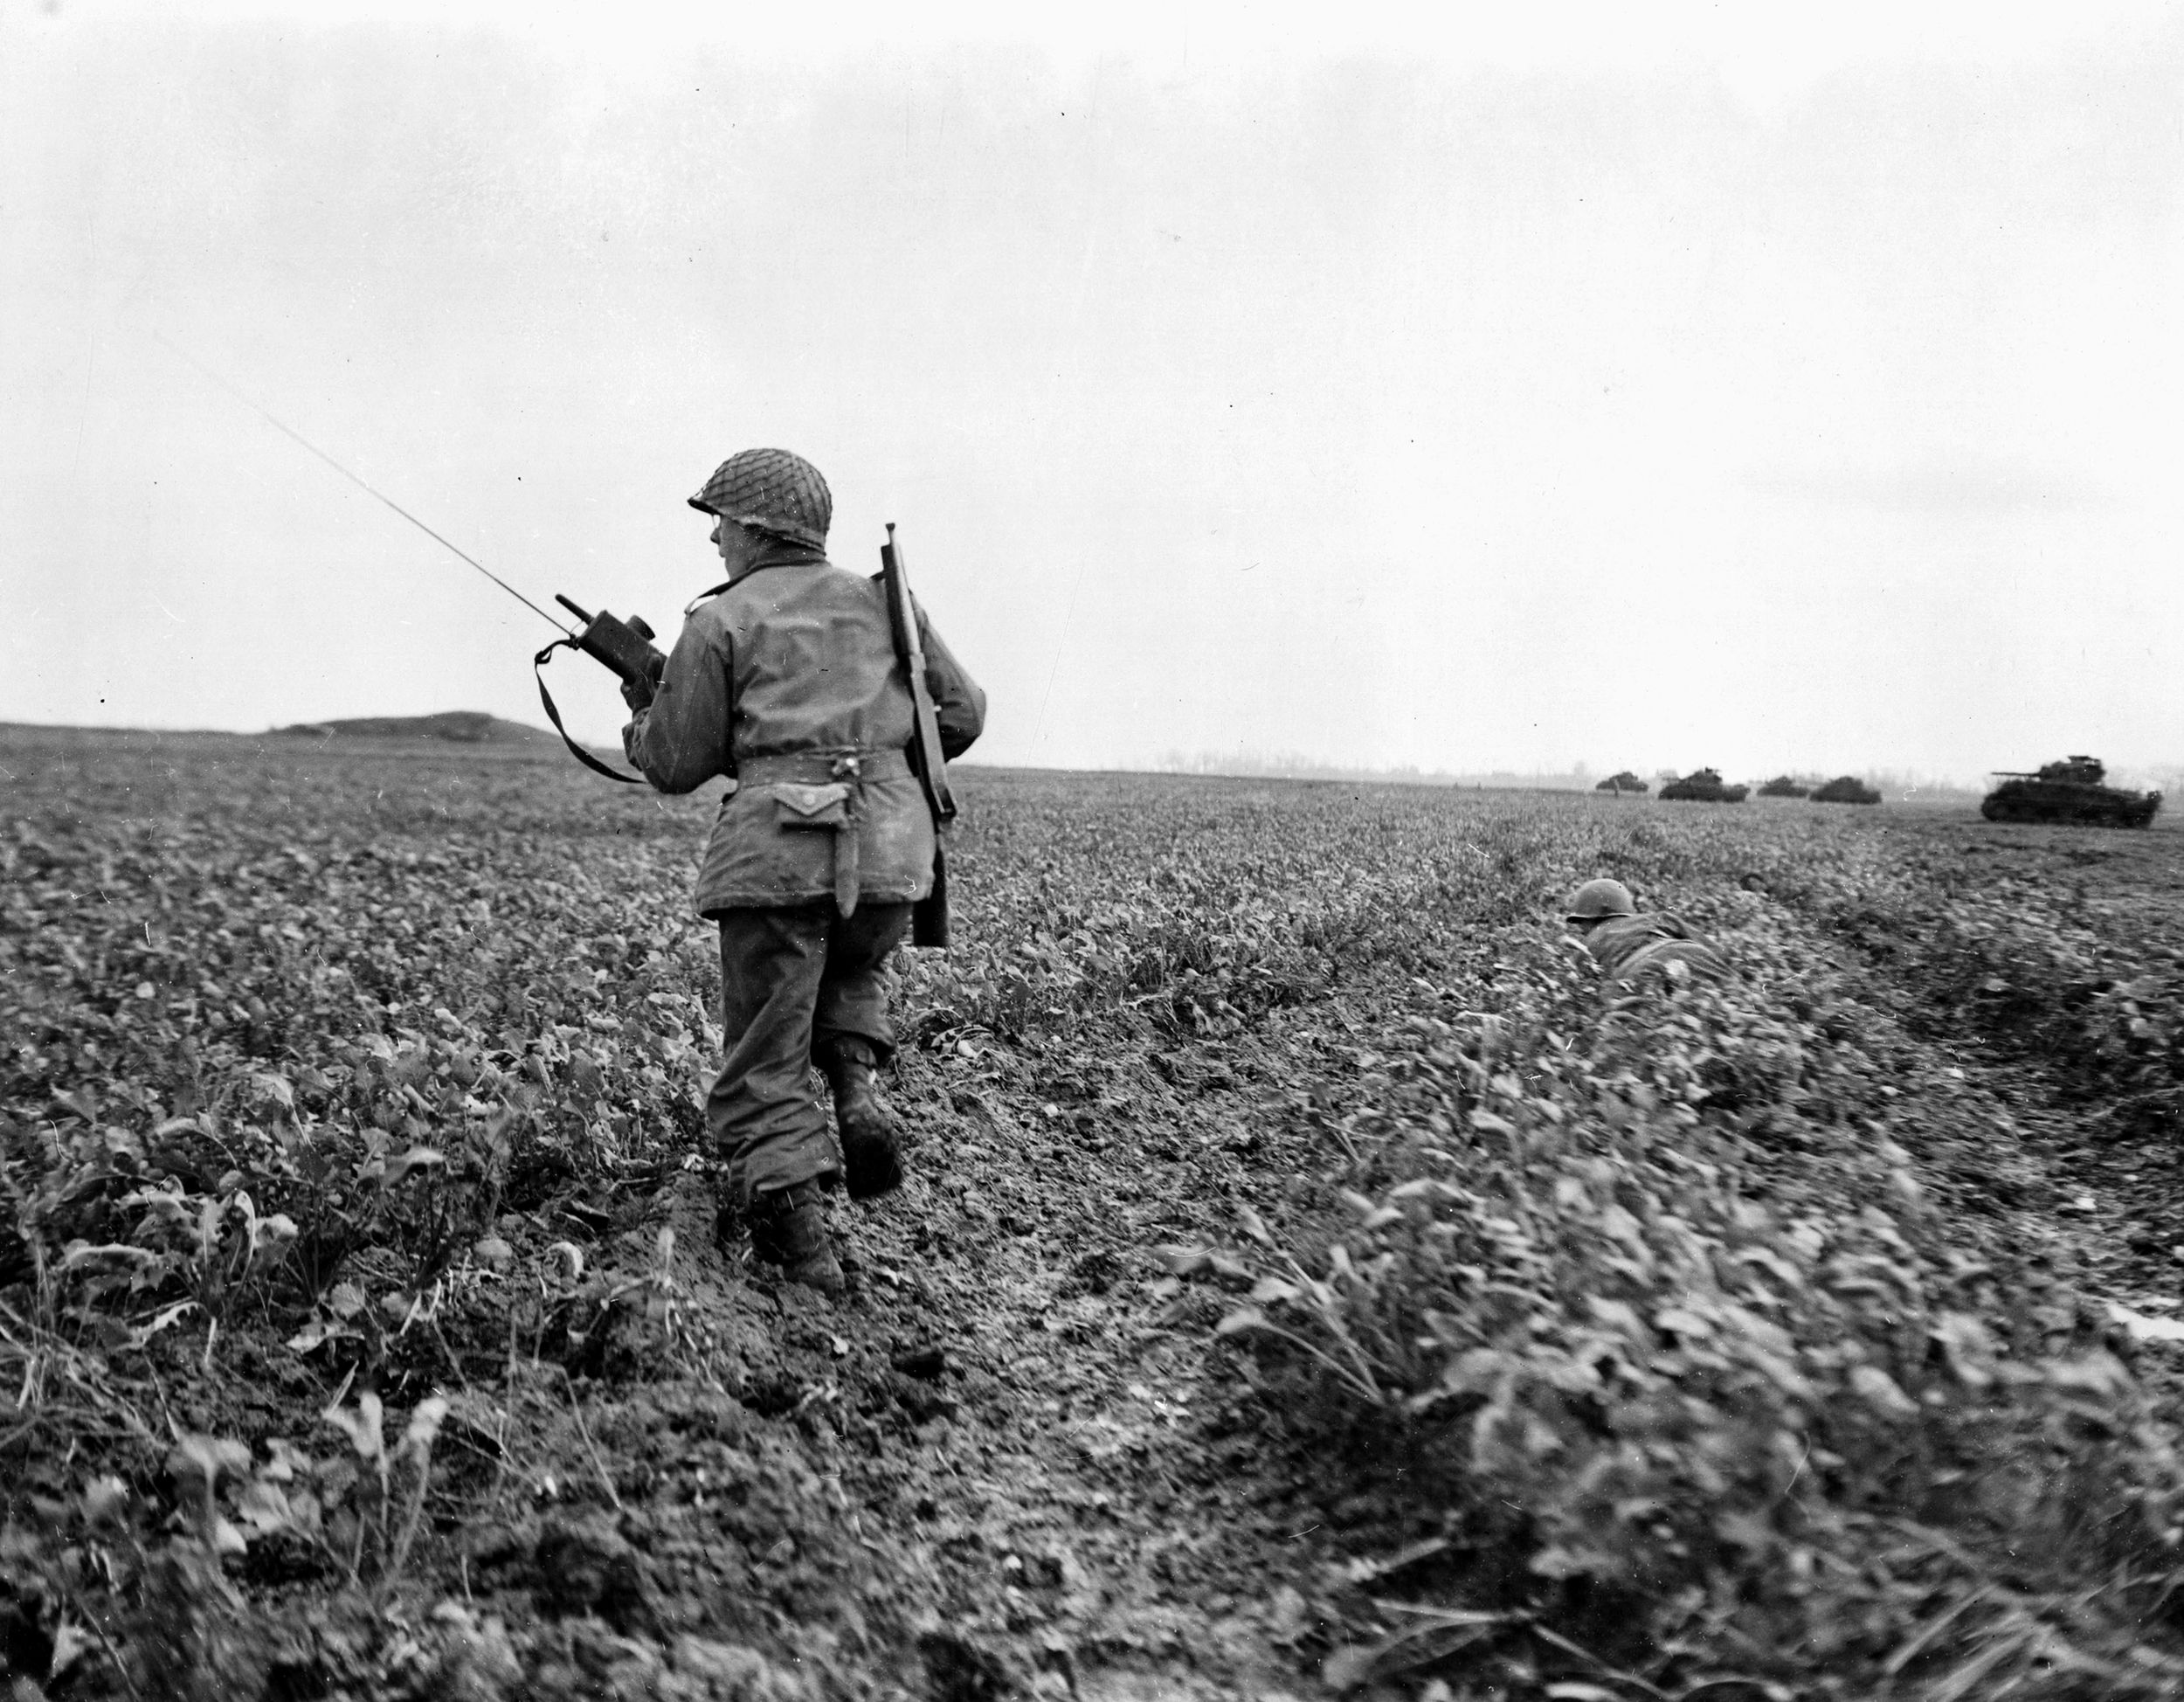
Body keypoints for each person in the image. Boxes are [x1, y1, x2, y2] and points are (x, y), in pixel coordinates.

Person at [621, 448, 985, 1296]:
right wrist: (880, 754)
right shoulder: (883, 603)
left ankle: (807, 1256)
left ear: (753, 527)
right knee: (850, 964)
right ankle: (855, 1088)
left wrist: (644, 712)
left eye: (721, 519)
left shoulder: (719, 620)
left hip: (777, 859)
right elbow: (962, 714)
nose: (713, 536)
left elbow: (676, 762)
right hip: (894, 859)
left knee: (763, 1055)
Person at [1563, 877, 1728, 986]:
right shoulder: (1653, 917)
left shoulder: (1582, 948)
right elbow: (1719, 952)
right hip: (1692, 952)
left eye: (1581, 921)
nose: (1580, 928)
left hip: (1635, 973)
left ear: (1590, 918)